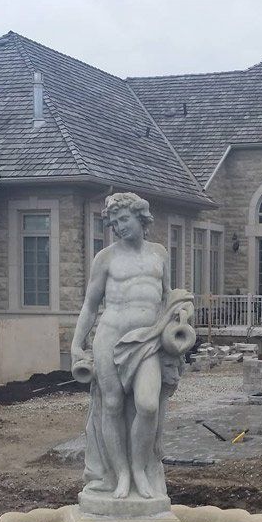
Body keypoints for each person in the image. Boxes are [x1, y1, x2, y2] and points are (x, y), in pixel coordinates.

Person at [71, 192, 195, 500]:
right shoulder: (106, 258)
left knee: (148, 405)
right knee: (111, 406)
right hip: (109, 338)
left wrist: (180, 312)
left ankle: (140, 469)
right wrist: (76, 344)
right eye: (113, 223)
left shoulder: (159, 254)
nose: (118, 227)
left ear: (141, 218)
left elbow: (166, 295)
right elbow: (90, 305)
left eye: (123, 220)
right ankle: (122, 475)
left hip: (148, 340)